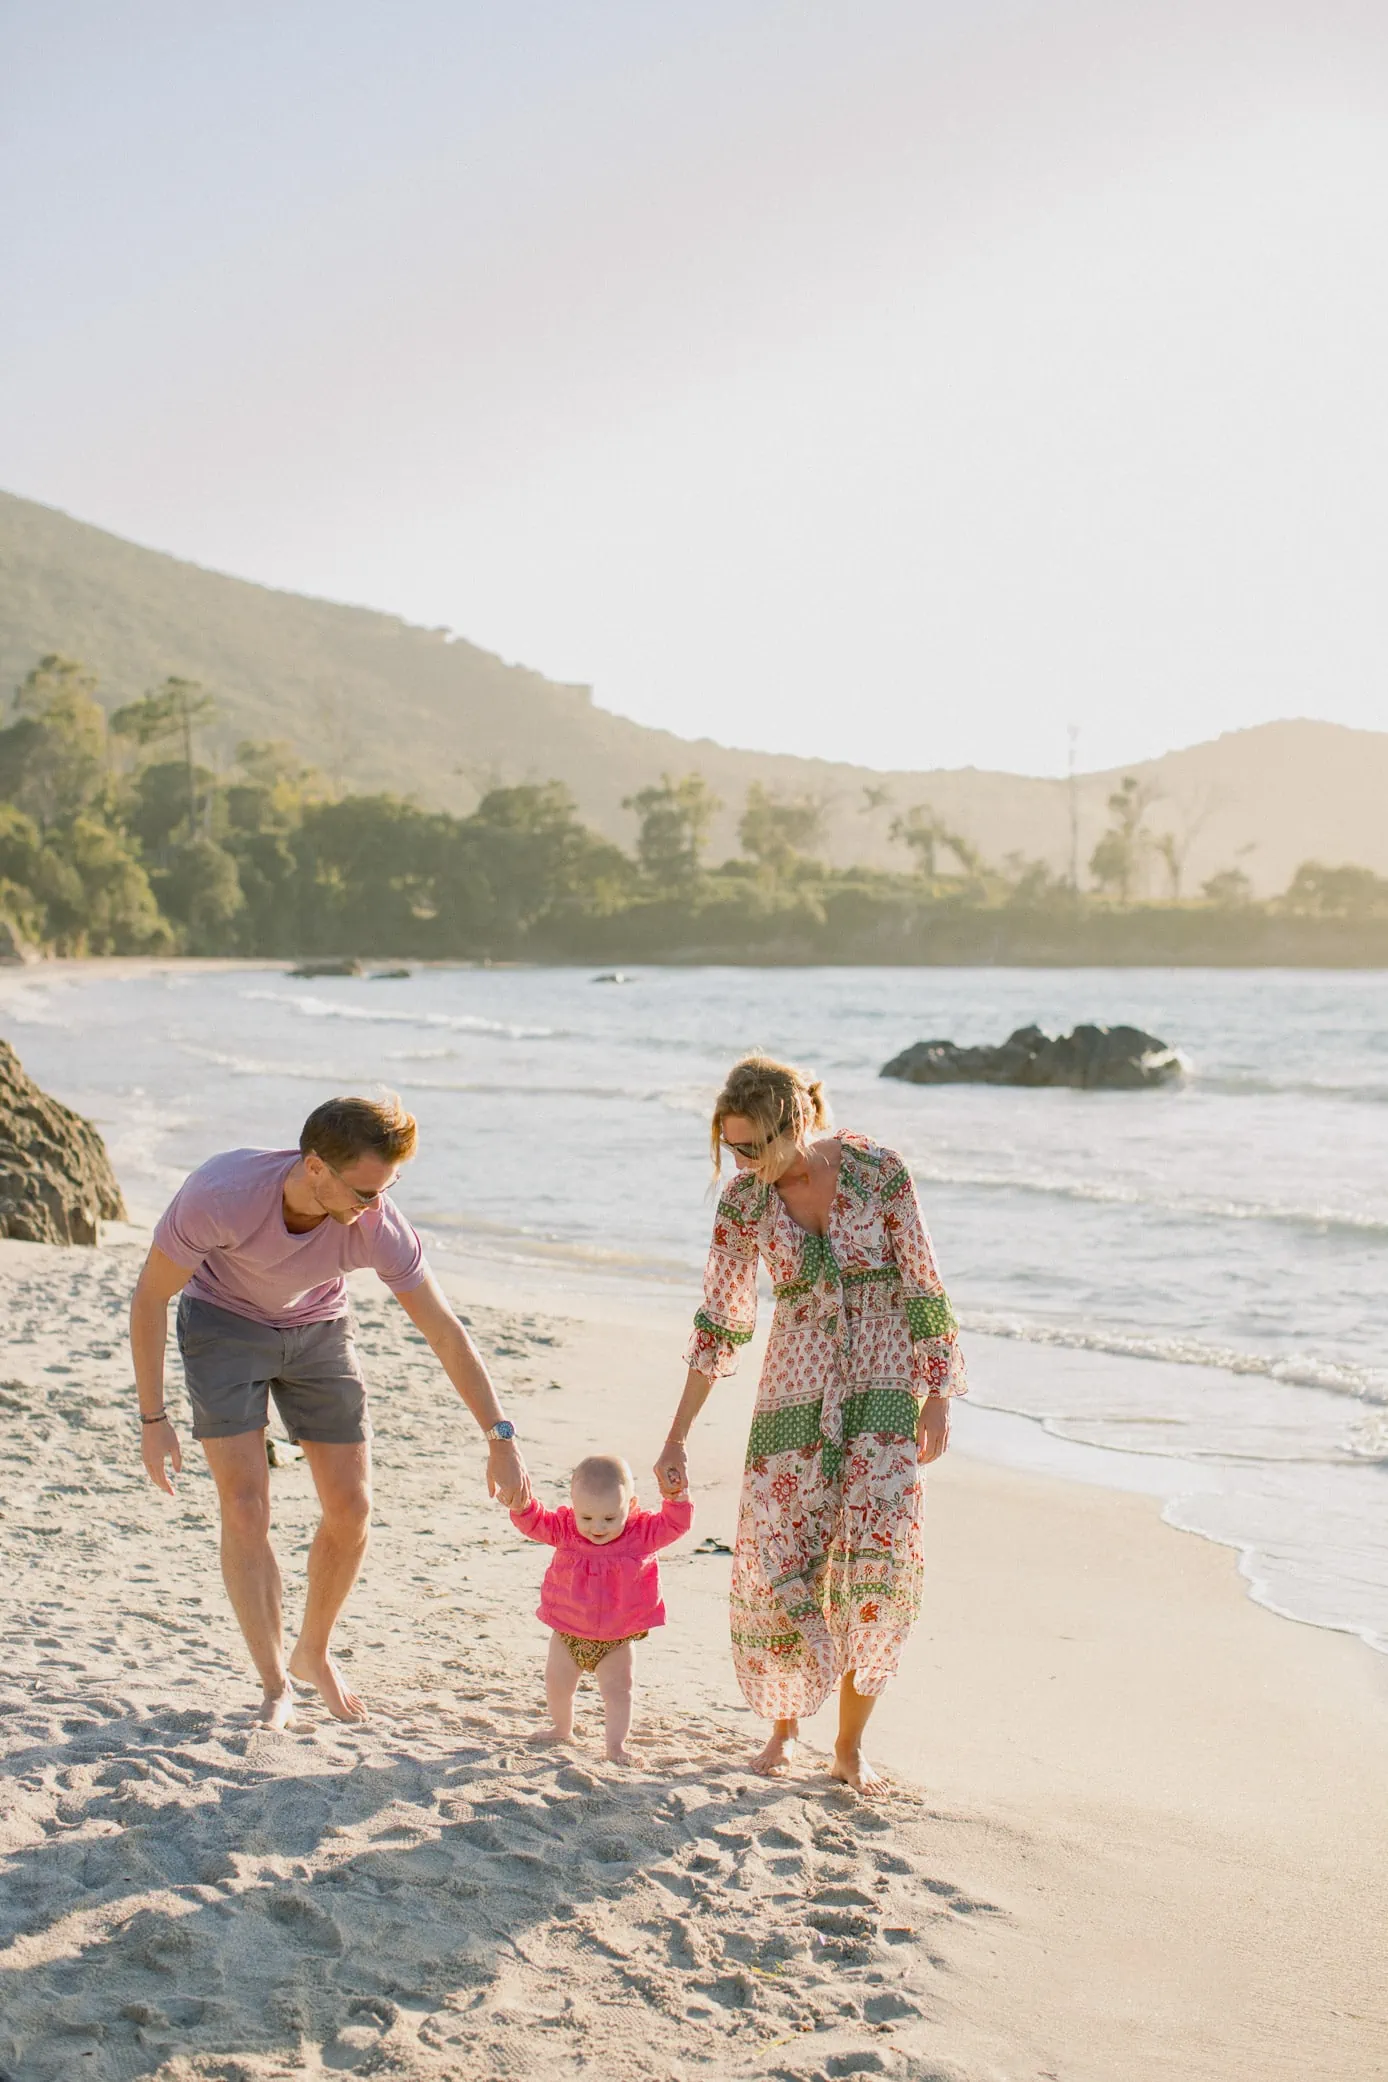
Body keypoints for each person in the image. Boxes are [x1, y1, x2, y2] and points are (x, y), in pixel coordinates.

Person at [130, 1093, 529, 1729]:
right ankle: (274, 1683)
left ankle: (312, 1650)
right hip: (222, 1322)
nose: (375, 1206)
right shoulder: (221, 1193)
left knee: (352, 1507)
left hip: (318, 1326)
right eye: (366, 1191)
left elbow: (445, 1331)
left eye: (387, 1189)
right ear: (314, 1167)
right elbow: (149, 1296)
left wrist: (500, 1436)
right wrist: (154, 1420)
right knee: (244, 1504)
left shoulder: (378, 1224)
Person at [655, 1054, 965, 1794]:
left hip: (884, 1388)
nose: (743, 1160)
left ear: (797, 1124)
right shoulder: (743, 1204)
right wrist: (678, 1434)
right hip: (793, 1391)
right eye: (732, 1147)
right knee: (782, 1557)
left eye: (755, 1145)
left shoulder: (877, 1171)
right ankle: (784, 1727)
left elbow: (923, 1283)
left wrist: (940, 1392)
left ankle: (850, 1747)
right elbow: (721, 1322)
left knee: (875, 1562)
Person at [510, 1452, 693, 1765]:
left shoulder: (641, 1534)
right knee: (557, 1683)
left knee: (619, 1692)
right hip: (568, 1632)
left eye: (610, 1519)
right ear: (573, 1507)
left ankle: (615, 1746)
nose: (597, 1528)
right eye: (587, 1518)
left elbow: (675, 1524)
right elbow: (535, 1523)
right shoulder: (566, 1528)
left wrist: (676, 1497)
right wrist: (520, 1505)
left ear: (631, 1507)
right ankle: (561, 1727)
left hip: (617, 1638)